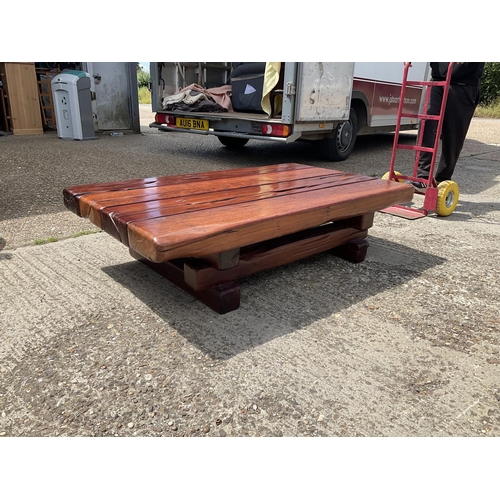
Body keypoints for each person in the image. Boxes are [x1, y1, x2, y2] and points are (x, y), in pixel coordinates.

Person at [412, 62, 485, 191]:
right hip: (437, 80)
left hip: (463, 84)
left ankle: (443, 179)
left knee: (453, 135)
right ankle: (422, 176)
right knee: (426, 123)